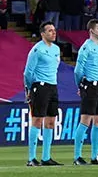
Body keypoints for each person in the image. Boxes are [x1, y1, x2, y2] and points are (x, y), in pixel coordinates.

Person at [25, 22, 64, 167]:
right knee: (37, 120)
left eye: (54, 30)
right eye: (50, 31)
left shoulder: (56, 49)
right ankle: (31, 158)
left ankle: (46, 157)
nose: (53, 33)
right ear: (43, 34)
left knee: (50, 122)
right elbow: (28, 72)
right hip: (40, 86)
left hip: (53, 86)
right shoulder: (37, 50)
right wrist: (30, 89)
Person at [74, 21, 98, 166]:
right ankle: (78, 156)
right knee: (85, 120)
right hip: (90, 86)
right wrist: (80, 86)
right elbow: (78, 70)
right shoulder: (86, 47)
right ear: (91, 30)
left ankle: (95, 156)